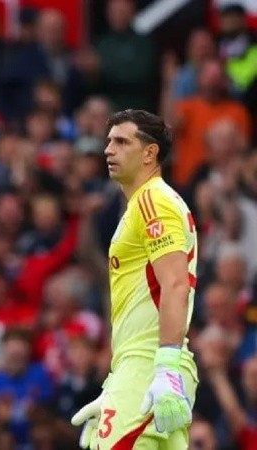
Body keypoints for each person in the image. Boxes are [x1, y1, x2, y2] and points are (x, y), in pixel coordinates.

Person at [71, 110, 198, 449]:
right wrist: (115, 386)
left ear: (149, 153)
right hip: (142, 366)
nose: (108, 150)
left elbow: (175, 284)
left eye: (122, 141)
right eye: (108, 141)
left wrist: (163, 369)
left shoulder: (153, 201)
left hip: (149, 365)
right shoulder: (144, 203)